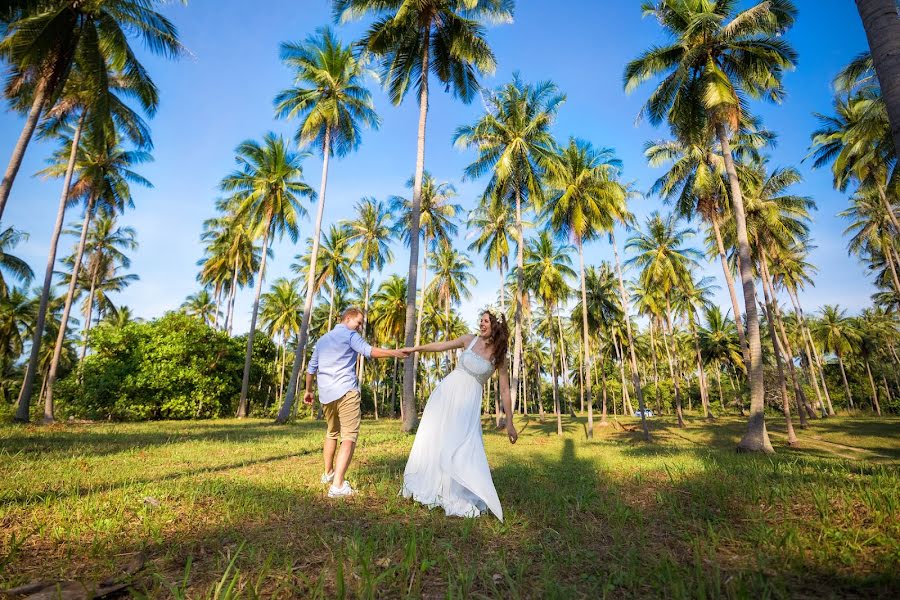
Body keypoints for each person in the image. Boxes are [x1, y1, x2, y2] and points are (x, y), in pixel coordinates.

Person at [399, 310, 517, 521]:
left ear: (495, 326)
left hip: (468, 403)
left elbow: (505, 391)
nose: (481, 323)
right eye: (480, 320)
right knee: (437, 438)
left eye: (486, 321)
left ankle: (457, 489)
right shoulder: (468, 340)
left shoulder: (499, 356)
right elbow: (441, 346)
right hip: (446, 394)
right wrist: (416, 348)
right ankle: (434, 484)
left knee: (462, 444)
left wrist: (510, 422)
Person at [304, 307, 406, 498]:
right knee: (349, 436)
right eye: (358, 322)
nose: (359, 327)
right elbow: (369, 351)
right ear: (348, 318)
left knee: (332, 433)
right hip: (346, 392)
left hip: (326, 395)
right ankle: (338, 485)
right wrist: (395, 353)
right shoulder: (350, 335)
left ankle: (328, 474)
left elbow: (311, 369)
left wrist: (309, 390)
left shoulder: (322, 340)